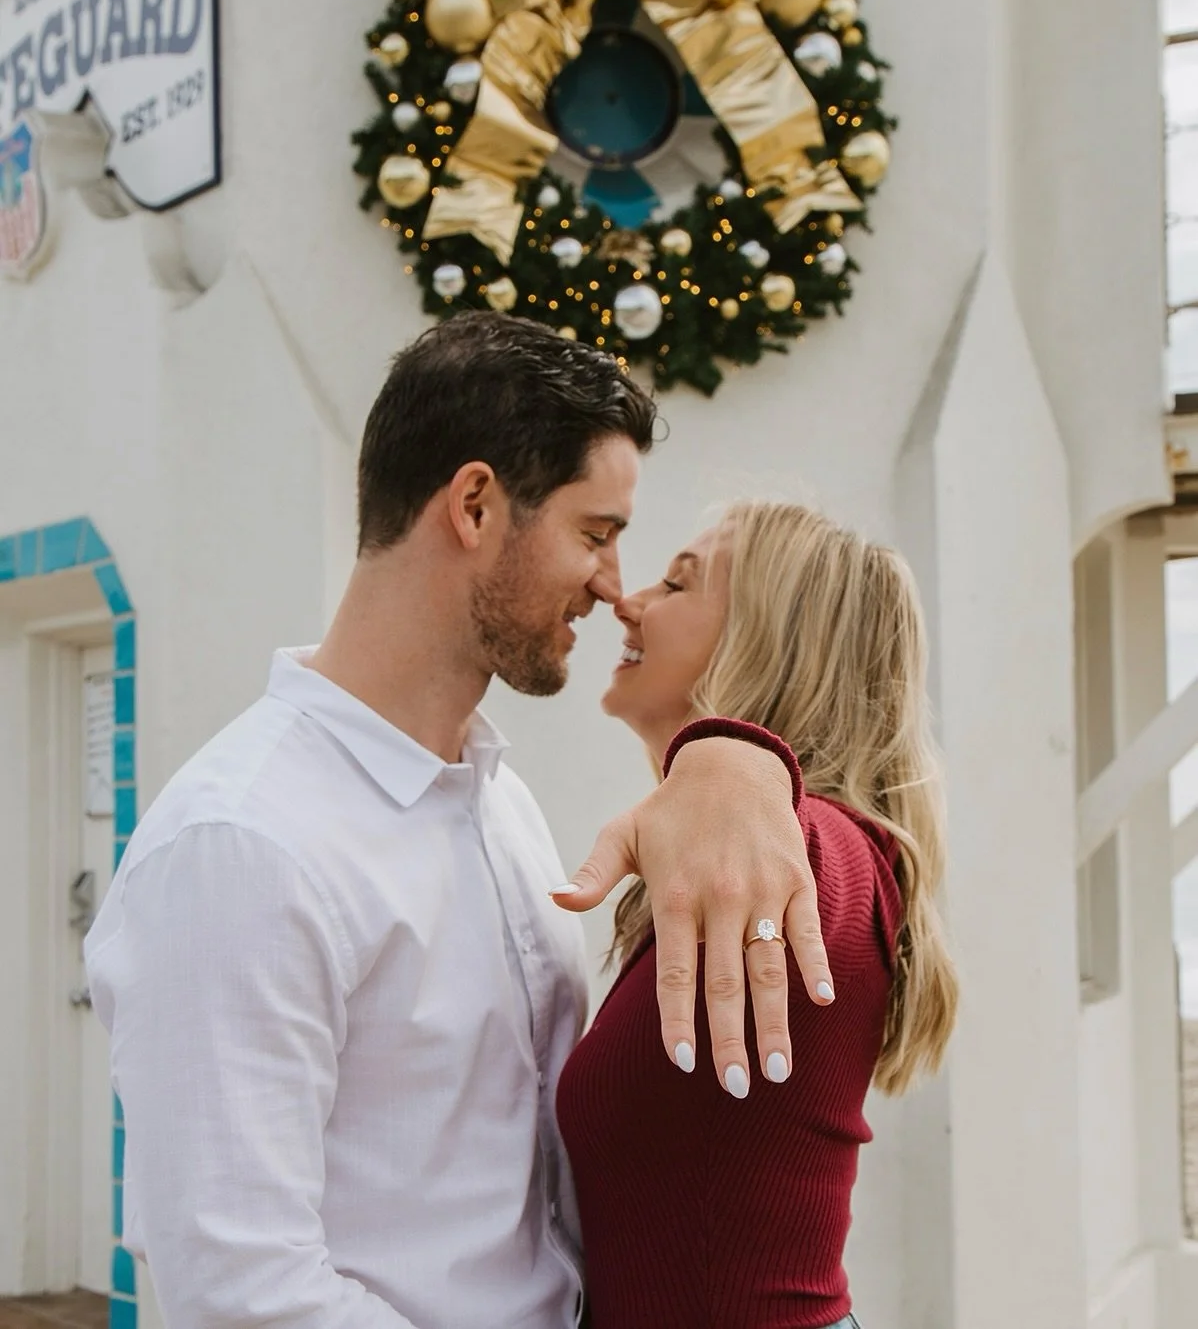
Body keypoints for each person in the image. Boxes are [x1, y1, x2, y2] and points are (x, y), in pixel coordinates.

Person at [84, 314, 836, 1329]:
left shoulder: (500, 803)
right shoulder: (240, 846)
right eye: (596, 535)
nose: (614, 586)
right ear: (475, 504)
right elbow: (243, 1294)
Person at [557, 501, 960, 1329]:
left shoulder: (829, 857)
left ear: (766, 639)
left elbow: (823, 858)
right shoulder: (734, 875)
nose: (629, 599)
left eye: (678, 582)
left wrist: (730, 761)